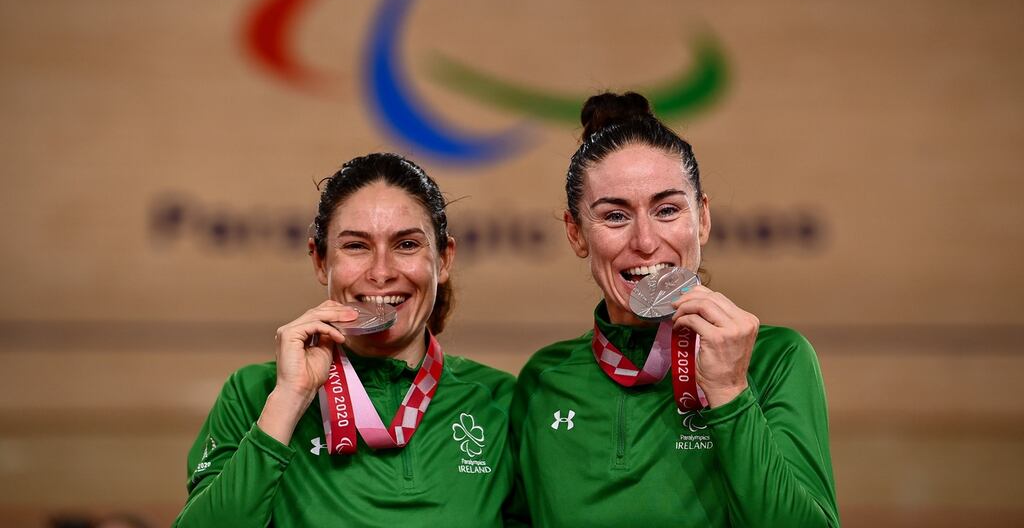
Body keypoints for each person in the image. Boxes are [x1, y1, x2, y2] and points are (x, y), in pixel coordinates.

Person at [509, 92, 840, 527]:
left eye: (667, 210)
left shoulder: (776, 358)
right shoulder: (542, 381)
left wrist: (729, 391)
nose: (645, 241)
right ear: (576, 234)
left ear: (702, 219)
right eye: (614, 216)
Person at [174, 153, 517, 527]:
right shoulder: (254, 394)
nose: (382, 272)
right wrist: (289, 400)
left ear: (444, 259)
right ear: (320, 261)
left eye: (406, 245)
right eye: (356, 246)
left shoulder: (501, 401)